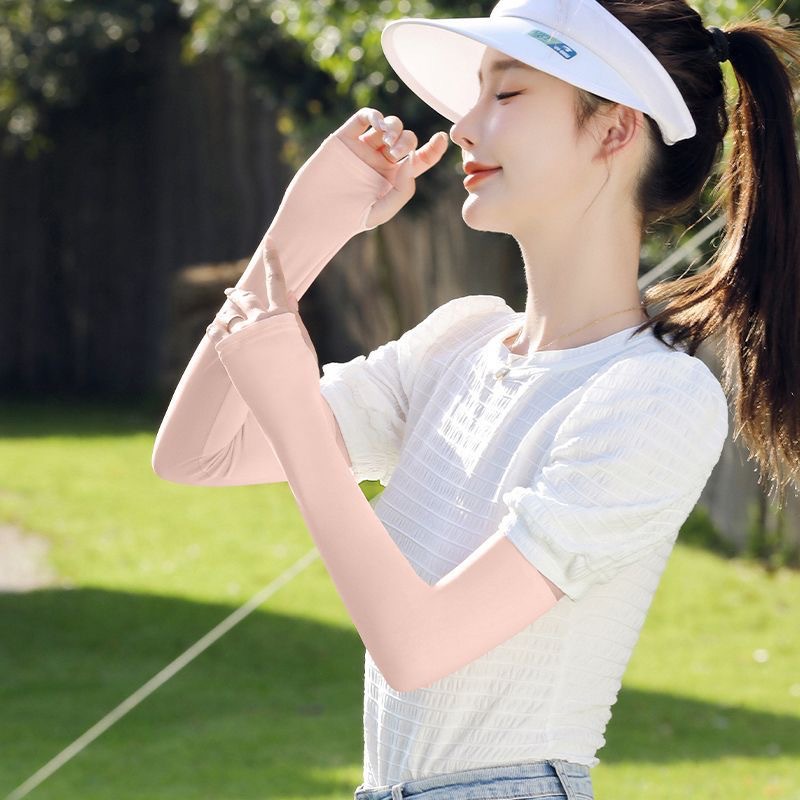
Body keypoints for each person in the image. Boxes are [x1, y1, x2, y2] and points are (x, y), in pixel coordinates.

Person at [151, 1, 800, 798]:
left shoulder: (653, 397)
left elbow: (418, 648)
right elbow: (196, 454)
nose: (462, 127)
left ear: (614, 130)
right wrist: (298, 235)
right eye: (476, 94)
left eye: (509, 93)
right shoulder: (458, 342)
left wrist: (295, 414)